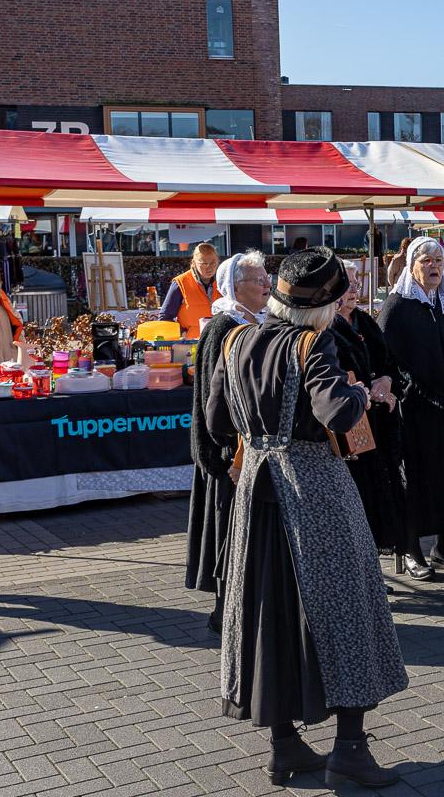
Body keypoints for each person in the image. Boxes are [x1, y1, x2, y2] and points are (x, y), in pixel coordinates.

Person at [205, 247, 408, 789]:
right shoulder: (312, 344)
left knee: (269, 611)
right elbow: (336, 412)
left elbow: (216, 419)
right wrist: (359, 391)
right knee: (345, 607)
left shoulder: (235, 339)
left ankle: (284, 745)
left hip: (257, 494)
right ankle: (350, 749)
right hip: (314, 489)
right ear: (323, 305)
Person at [379, 236, 444, 575]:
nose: (434, 266)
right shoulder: (398, 306)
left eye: (438, 261)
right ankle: (412, 549)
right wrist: (434, 377)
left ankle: (443, 545)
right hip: (416, 405)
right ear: (412, 267)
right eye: (426, 261)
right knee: (417, 476)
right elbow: (389, 358)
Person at [186, 251, 271, 635]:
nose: (267, 284)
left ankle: (245, 605)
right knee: (226, 530)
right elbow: (211, 396)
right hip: (226, 451)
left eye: (267, 278)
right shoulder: (222, 326)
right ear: (235, 287)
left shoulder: (260, 322)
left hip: (249, 447)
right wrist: (226, 452)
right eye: (258, 280)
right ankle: (225, 610)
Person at [328, 260, 420, 577]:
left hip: (380, 427)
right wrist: (369, 389)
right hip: (350, 429)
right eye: (348, 283)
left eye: (357, 281)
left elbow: (389, 362)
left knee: (386, 497)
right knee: (357, 500)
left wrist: (388, 381)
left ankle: (378, 566)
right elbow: (334, 378)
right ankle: (359, 573)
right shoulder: (325, 327)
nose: (355, 288)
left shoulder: (365, 321)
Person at [160, 242, 221, 339]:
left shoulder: (223, 283)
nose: (209, 267)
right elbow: (165, 317)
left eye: (213, 263)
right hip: (191, 343)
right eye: (204, 263)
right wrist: (182, 333)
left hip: (218, 341)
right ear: (194, 263)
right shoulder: (181, 283)